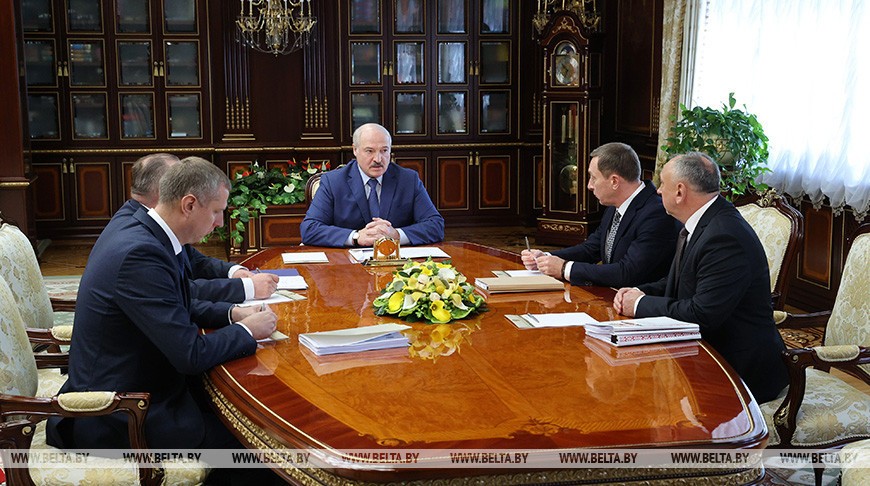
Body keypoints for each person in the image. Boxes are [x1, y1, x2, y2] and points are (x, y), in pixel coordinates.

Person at [46, 158, 278, 457]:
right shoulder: (140, 254)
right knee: (262, 445)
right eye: (217, 211)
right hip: (120, 414)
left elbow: (174, 303)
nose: (220, 222)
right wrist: (247, 331)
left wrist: (231, 313)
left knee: (242, 413)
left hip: (146, 385)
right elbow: (190, 355)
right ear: (189, 205)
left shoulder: (150, 233)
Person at [613, 152, 788, 403]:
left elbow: (702, 314)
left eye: (663, 184)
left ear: (680, 191)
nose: (658, 191)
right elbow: (681, 281)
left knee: (639, 389)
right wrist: (639, 292)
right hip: (706, 350)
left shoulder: (723, 236)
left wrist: (639, 305)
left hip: (738, 370)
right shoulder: (703, 221)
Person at [121, 153, 277, 302]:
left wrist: (233, 273)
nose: (220, 223)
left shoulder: (153, 221)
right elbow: (176, 293)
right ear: (166, 188)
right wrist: (246, 288)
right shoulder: (138, 243)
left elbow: (193, 260)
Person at [522, 142, 680, 288]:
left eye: (593, 178)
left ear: (614, 181)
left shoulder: (656, 214)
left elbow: (627, 273)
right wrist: (545, 258)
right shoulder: (615, 204)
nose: (589, 186)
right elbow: (592, 249)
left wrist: (564, 268)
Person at [300, 123, 444, 247]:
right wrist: (356, 237)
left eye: (384, 151)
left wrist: (396, 235)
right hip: (347, 261)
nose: (378, 159)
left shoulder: (408, 180)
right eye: (370, 151)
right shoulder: (334, 182)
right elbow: (310, 229)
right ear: (355, 150)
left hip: (395, 260)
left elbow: (435, 225)